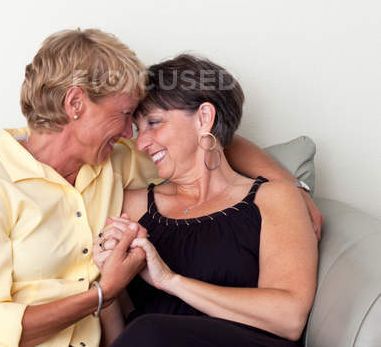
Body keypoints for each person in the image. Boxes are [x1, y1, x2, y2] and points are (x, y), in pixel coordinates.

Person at [0, 30, 322, 347]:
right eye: (124, 117)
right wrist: (103, 293)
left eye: (144, 124)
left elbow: (209, 139)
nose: (130, 136)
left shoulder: (114, 162)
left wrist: (292, 186)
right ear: (76, 103)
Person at [93, 54, 318, 347]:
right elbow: (120, 338)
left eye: (154, 122)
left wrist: (170, 280)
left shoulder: (274, 198)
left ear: (204, 118)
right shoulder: (132, 205)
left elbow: (289, 318)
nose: (141, 143)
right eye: (138, 128)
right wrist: (108, 284)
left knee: (150, 331)